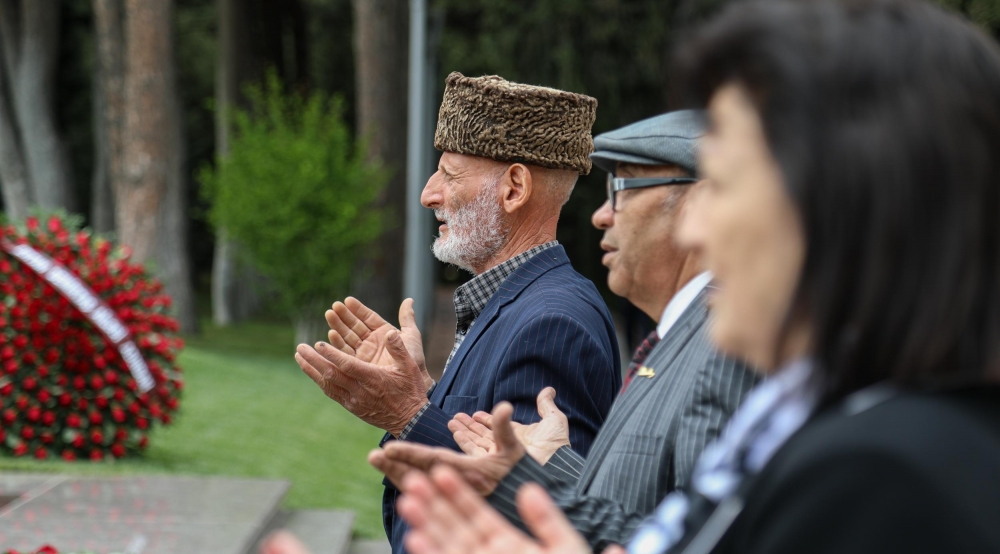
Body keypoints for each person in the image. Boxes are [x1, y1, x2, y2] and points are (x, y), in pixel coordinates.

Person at [383, 0, 1000, 552]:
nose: (696, 229)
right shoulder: (859, 432)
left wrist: (418, 415)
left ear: (845, 202)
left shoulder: (888, 474)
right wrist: (527, 481)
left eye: (725, 185)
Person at [373, 111, 758, 551]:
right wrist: (548, 464)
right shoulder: (677, 341)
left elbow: (702, 540)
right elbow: (638, 513)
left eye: (622, 188)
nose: (601, 216)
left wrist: (410, 414)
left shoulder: (721, 351)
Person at [293, 72, 621, 554]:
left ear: (514, 188)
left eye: (449, 174)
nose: (429, 194)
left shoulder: (552, 324)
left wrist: (408, 414)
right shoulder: (523, 303)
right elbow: (485, 450)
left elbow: (538, 520)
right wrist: (423, 393)